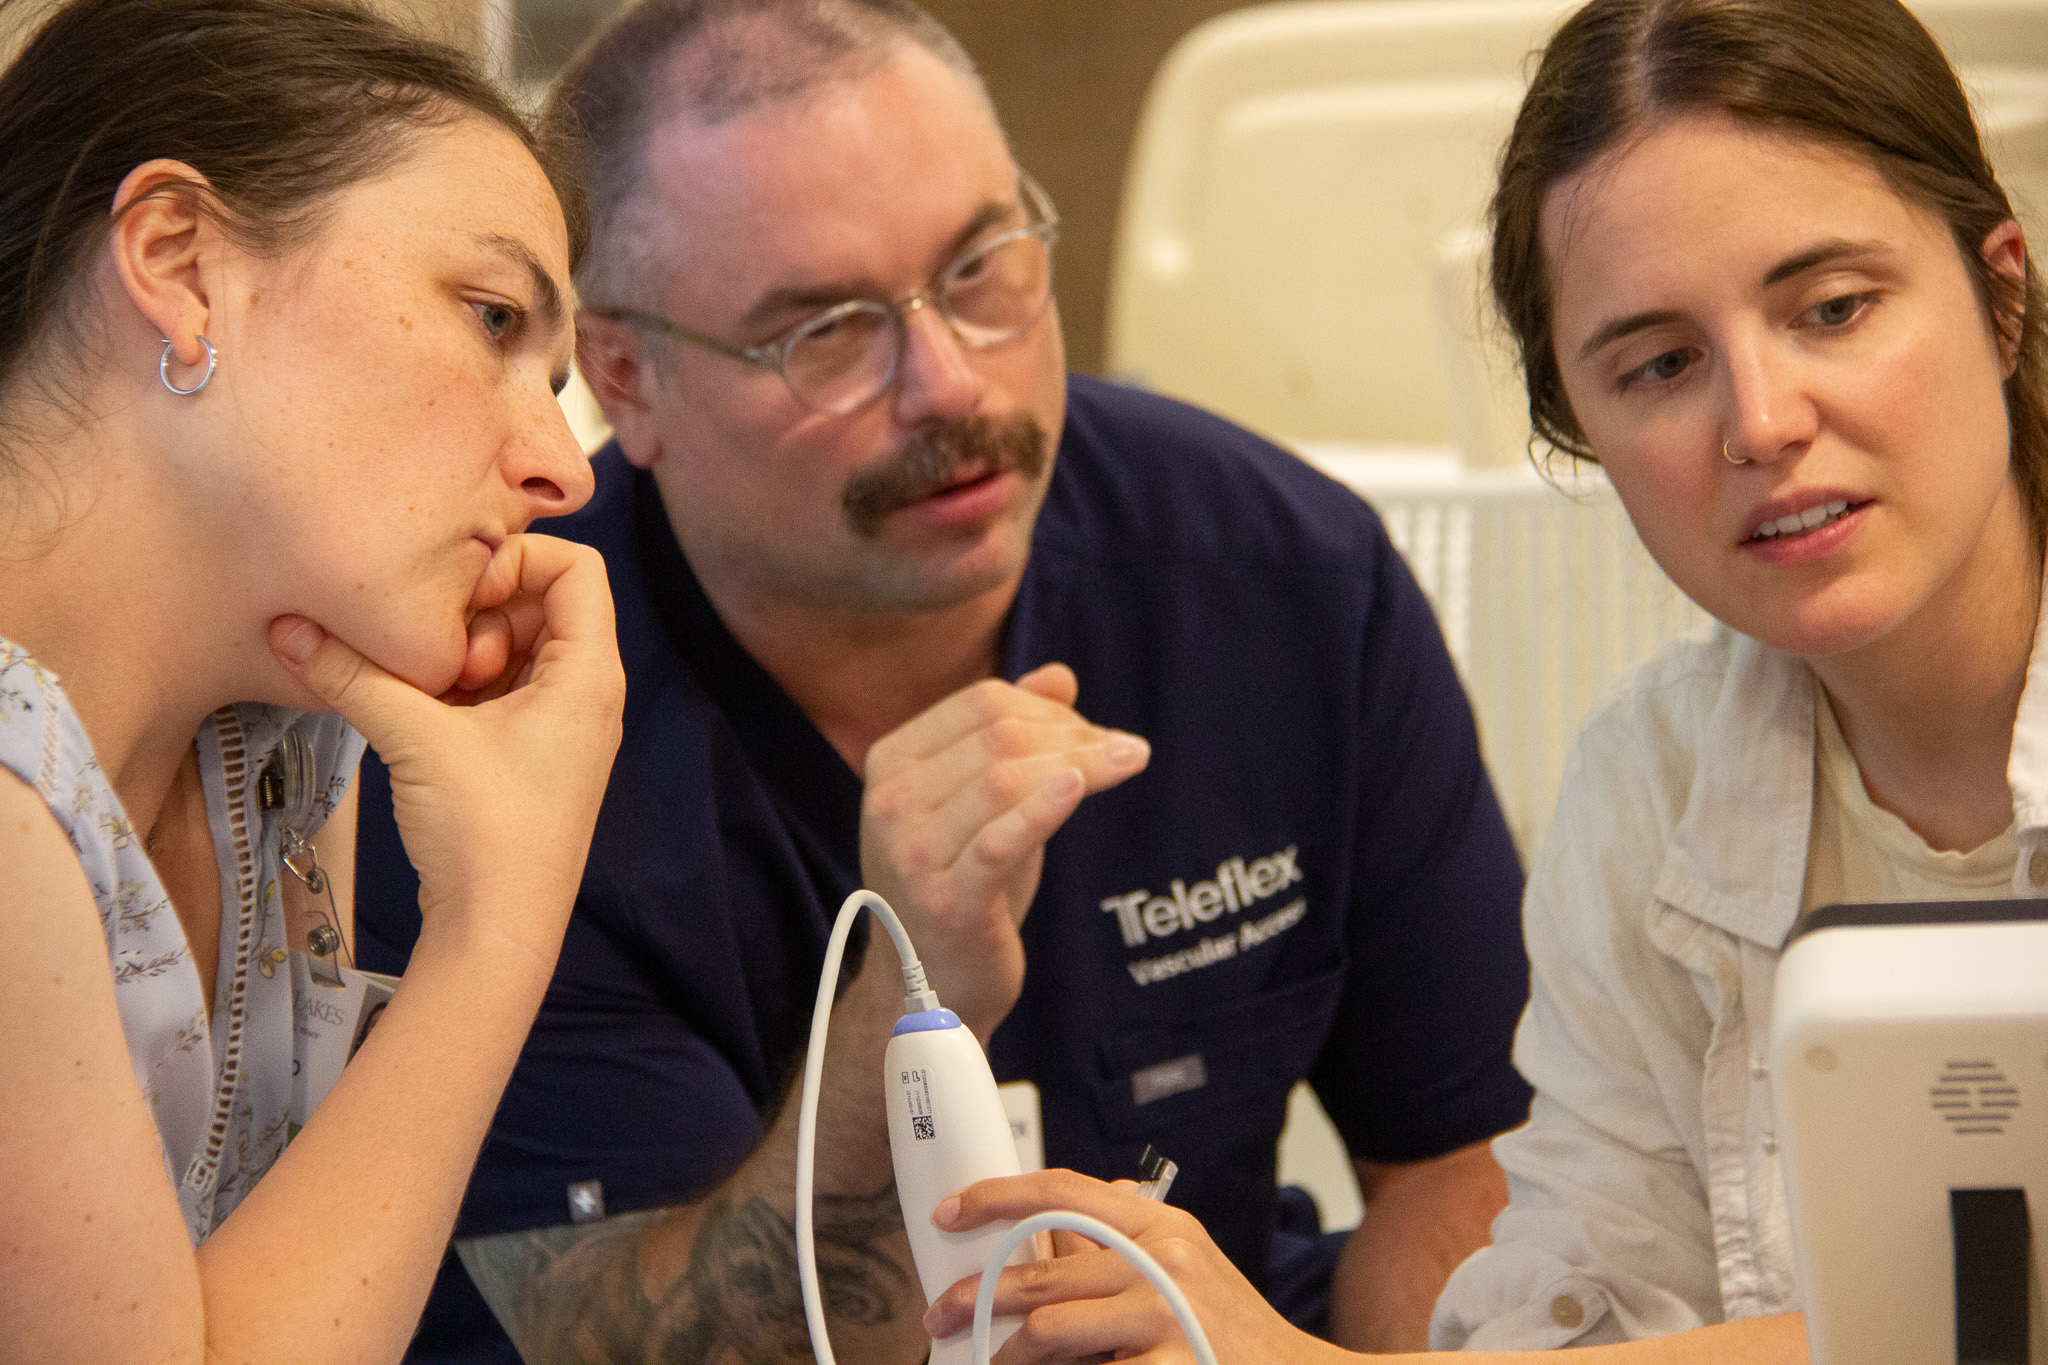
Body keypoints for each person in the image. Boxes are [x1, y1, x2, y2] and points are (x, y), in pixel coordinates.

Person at [347, 1, 1536, 1360]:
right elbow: (606, 1339)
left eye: (980, 267)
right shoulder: (496, 711)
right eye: (825, 331)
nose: (950, 383)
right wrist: (906, 1012)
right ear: (625, 378)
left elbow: (1462, 1162)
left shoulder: (1277, 576)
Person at [915, 0, 2048, 1358]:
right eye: (1661, 364)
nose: (1761, 421)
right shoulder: (1650, 792)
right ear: (1581, 426)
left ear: (2002, 293)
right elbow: (1576, 1317)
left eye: (1835, 307)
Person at [0, 1, 625, 1361]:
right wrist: (496, 924)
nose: (566, 468)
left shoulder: (280, 745)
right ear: (178, 260)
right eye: (494, 314)